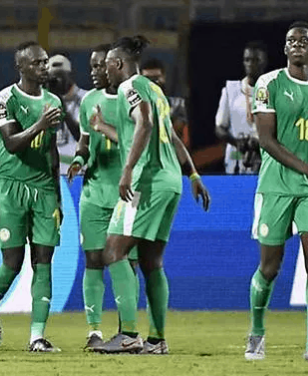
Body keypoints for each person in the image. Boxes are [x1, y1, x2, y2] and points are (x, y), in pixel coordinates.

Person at [95, 36, 210, 355]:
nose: (105, 70)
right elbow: (171, 135)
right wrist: (193, 174)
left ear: (117, 63)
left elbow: (144, 124)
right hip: (171, 179)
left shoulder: (128, 87)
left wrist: (128, 169)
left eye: (107, 64)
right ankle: (158, 340)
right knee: (151, 261)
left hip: (147, 180)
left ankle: (129, 333)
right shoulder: (156, 90)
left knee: (114, 250)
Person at [246, 21, 308, 362]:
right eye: (290, 41)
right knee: (270, 267)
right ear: (285, 50)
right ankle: (256, 332)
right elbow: (266, 141)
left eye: (303, 40)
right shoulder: (268, 84)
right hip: (276, 186)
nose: (296, 44)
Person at [0, 41, 63, 352]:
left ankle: (37, 337)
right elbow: (12, 143)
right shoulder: (5, 99)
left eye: (46, 62)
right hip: (11, 186)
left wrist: (56, 197)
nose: (45, 67)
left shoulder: (53, 100)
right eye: (39, 63)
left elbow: (52, 151)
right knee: (13, 263)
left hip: (43, 189)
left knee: (44, 261)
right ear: (22, 67)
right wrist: (40, 124)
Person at [66, 43, 121, 350]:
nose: (94, 71)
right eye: (91, 66)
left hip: (126, 193)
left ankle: (127, 329)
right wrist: (78, 160)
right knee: (94, 260)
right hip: (94, 192)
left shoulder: (132, 99)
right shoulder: (88, 100)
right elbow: (84, 144)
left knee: (127, 264)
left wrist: (104, 126)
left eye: (99, 65)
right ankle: (94, 331)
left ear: (116, 66)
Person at [215, 41, 268, 174]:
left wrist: (260, 142)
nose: (251, 64)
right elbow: (219, 128)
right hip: (236, 158)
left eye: (256, 60)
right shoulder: (231, 90)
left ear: (264, 62)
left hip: (264, 158)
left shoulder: (274, 91)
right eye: (247, 60)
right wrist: (235, 142)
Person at [47, 53, 87, 174]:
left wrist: (62, 106)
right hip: (53, 171)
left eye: (61, 76)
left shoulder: (86, 98)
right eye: (53, 78)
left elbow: (82, 135)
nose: (57, 81)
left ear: (70, 75)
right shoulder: (45, 101)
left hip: (79, 171)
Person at [141, 58, 190, 148]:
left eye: (156, 78)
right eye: (147, 79)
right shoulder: (134, 106)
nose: (152, 83)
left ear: (164, 77)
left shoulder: (178, 105)